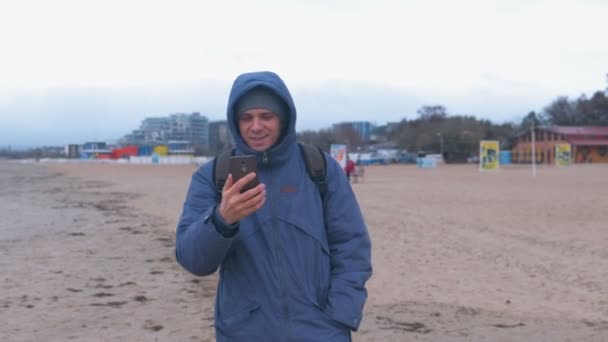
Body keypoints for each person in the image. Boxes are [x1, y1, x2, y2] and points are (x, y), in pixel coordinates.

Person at [175, 71, 372, 341]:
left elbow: (352, 246)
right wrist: (222, 220)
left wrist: (339, 317)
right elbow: (193, 260)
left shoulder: (320, 168)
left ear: (284, 118)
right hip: (244, 332)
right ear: (235, 121)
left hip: (320, 331)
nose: (256, 126)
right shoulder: (213, 176)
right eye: (246, 117)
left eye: (266, 116)